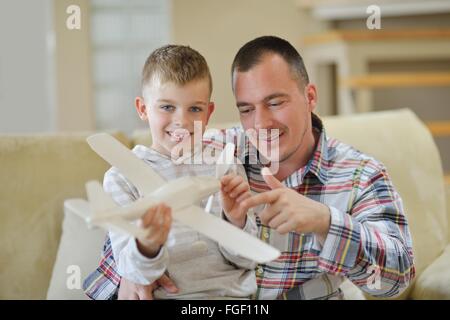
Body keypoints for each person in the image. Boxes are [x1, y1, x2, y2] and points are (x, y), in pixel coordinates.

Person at [85, 36, 415, 300]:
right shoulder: (217, 152)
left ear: (310, 96)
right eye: (246, 109)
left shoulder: (359, 174)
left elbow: (397, 278)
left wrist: (324, 222)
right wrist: (128, 278)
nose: (261, 123)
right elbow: (133, 215)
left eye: (275, 102)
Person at [83, 44, 259, 299]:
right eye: (167, 107)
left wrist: (236, 221)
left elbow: (247, 260)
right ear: (143, 108)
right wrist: (147, 246)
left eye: (195, 109)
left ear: (208, 113)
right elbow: (132, 274)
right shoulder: (121, 177)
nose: (182, 121)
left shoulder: (225, 164)